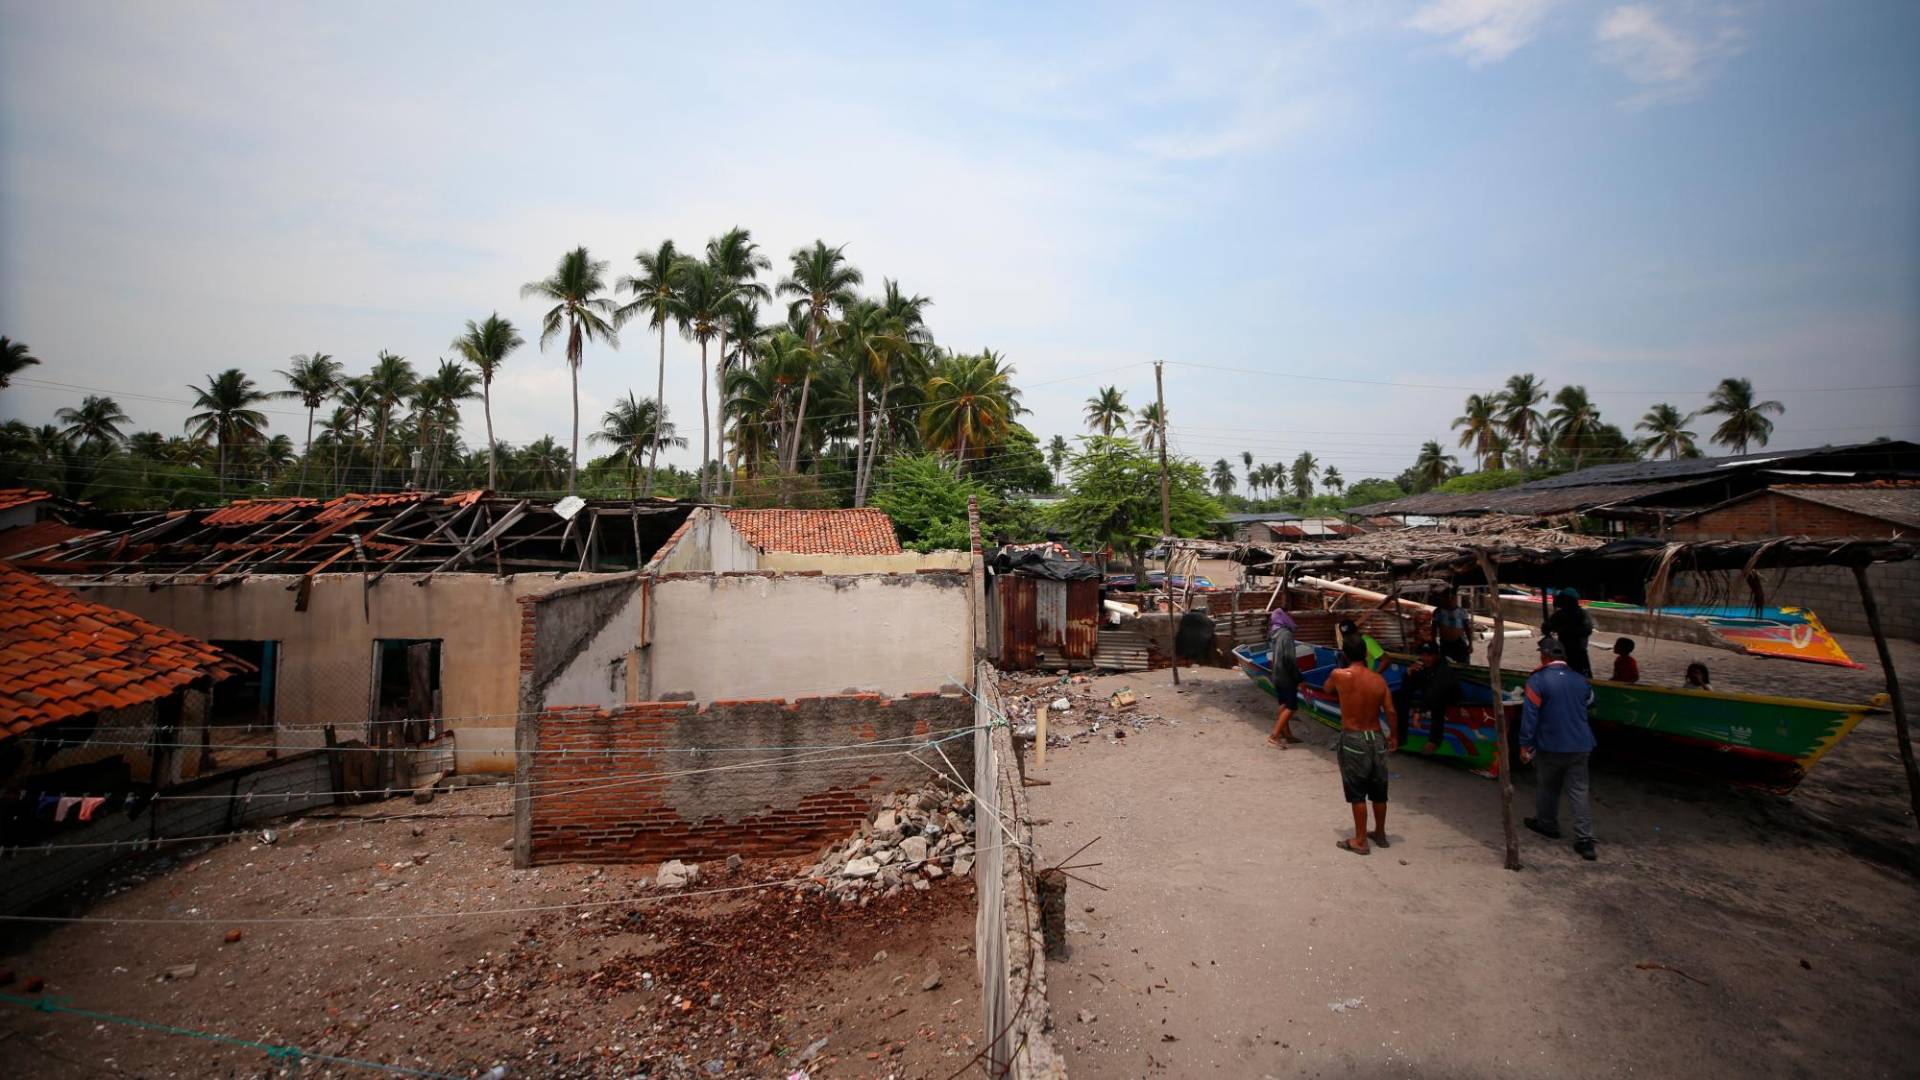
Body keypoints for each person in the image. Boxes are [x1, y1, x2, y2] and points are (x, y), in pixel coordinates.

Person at [1520, 636, 1598, 861]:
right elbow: (1591, 703)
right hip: (1581, 744)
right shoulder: (1580, 680)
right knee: (1579, 791)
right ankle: (1585, 840)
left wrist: (1525, 744)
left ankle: (1547, 824)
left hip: (1551, 744)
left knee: (1548, 786)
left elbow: (1530, 717)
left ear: (1543, 656)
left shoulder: (1537, 680)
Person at [1326, 636, 1398, 854]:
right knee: (1379, 790)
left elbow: (1327, 688)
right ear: (1366, 654)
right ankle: (1381, 834)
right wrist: (1394, 736)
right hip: (1376, 737)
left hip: (1353, 738)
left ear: (1345, 654)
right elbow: (1391, 711)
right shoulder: (1378, 680)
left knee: (1357, 792)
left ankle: (1360, 840)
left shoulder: (1339, 675)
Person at [1397, 642, 1463, 752]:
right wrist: (1408, 673)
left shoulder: (1443, 669)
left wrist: (1419, 711)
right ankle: (1400, 736)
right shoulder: (1423, 668)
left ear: (1437, 656)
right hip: (1429, 697)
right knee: (1400, 696)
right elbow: (1409, 687)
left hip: (1449, 699)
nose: (1425, 658)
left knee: (1438, 702)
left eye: (1429, 655)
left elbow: (1434, 692)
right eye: (1423, 655)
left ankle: (1434, 740)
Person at [1265, 610, 1306, 748]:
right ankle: (1274, 736)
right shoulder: (1286, 634)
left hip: (1276, 673)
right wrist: (1299, 678)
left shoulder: (1273, 633)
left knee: (1283, 704)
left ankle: (1287, 734)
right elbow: (1289, 659)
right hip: (1286, 675)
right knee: (1291, 706)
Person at [1544, 588, 1595, 678]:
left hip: (1578, 652)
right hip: (1565, 652)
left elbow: (1587, 630)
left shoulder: (1581, 614)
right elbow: (1546, 628)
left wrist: (1565, 629)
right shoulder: (1560, 614)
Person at [1431, 588, 1474, 664]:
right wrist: (1433, 642)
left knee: (1463, 664)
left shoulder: (1462, 611)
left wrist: (1470, 644)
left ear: (1456, 598)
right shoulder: (1438, 611)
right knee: (1446, 665)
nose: (1450, 600)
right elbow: (1434, 628)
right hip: (1445, 643)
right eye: (1447, 597)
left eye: (1452, 598)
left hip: (1460, 642)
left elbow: (1467, 628)